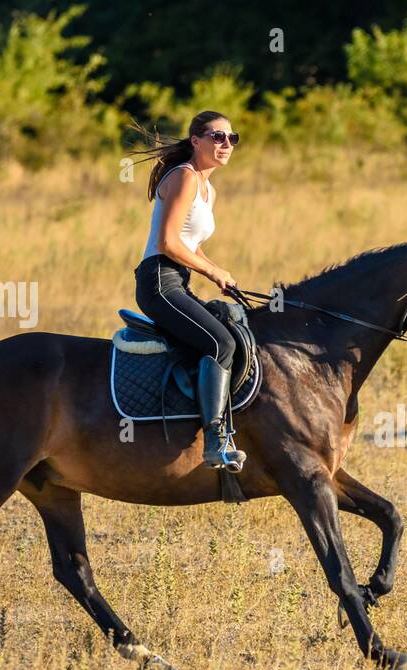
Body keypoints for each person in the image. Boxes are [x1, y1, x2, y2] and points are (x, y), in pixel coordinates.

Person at [130, 110, 245, 471]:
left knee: (231, 323)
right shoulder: (183, 177)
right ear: (196, 141)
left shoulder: (208, 190)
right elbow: (166, 242)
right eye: (217, 137)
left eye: (232, 138)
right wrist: (212, 270)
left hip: (178, 279)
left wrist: (217, 275)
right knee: (221, 343)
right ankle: (214, 440)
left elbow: (189, 243)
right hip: (159, 282)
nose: (226, 144)